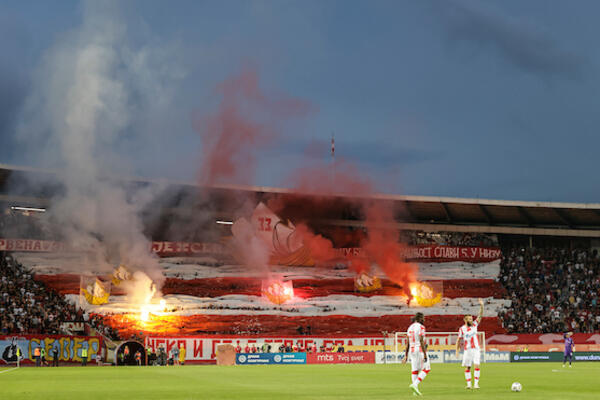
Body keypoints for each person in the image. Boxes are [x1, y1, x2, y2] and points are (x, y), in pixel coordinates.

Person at [456, 298, 484, 389]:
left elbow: (480, 315)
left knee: (477, 365)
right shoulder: (462, 329)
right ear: (465, 320)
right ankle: (468, 384)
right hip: (467, 350)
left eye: (472, 318)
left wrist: (482, 305)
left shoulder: (475, 325)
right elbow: (459, 340)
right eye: (470, 319)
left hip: (476, 349)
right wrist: (457, 350)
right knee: (467, 367)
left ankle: (476, 384)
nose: (472, 320)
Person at [403, 312, 430, 396]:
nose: (424, 320)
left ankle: (415, 392)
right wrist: (425, 353)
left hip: (412, 350)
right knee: (427, 368)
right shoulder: (421, 327)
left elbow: (407, 342)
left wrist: (406, 355)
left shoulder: (410, 327)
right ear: (420, 318)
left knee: (415, 370)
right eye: (423, 318)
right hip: (419, 349)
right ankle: (415, 384)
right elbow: (421, 340)